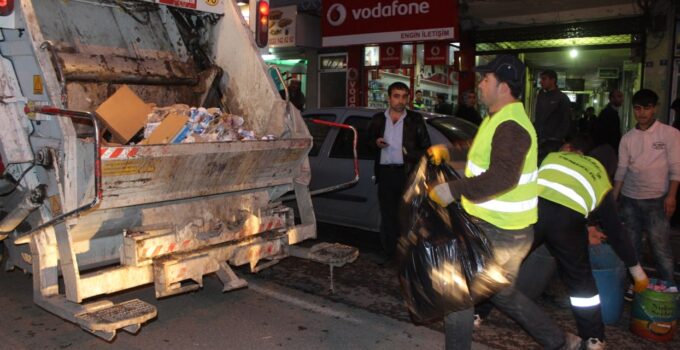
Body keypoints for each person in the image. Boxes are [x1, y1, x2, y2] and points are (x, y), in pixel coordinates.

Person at [427, 55, 579, 350]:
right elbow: (483, 153)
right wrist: (450, 153)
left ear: (504, 86)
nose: (480, 85)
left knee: (459, 295)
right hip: (501, 228)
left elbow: (502, 177)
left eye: (486, 79)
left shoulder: (512, 126)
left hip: (502, 232)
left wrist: (452, 191)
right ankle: (560, 341)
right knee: (501, 292)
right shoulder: (496, 118)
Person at [532, 134, 647, 350]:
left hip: (532, 213)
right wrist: (636, 270)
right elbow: (616, 232)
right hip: (566, 225)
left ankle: (478, 313)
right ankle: (594, 338)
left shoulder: (557, 156)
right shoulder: (601, 179)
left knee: (506, 264)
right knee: (582, 284)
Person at [614, 89, 680, 291]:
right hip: (630, 199)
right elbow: (622, 170)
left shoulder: (670, 134)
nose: (642, 113)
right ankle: (636, 288)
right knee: (632, 248)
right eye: (638, 108)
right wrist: (613, 199)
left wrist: (671, 196)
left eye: (647, 108)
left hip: (657, 200)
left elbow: (676, 167)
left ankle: (669, 290)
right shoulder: (628, 138)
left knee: (661, 248)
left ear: (655, 109)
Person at [368, 82, 431, 263]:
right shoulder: (378, 119)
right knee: (387, 216)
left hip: (407, 175)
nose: (400, 101)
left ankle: (408, 257)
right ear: (389, 97)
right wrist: (376, 143)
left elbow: (426, 149)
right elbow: (367, 142)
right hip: (386, 173)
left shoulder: (415, 120)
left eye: (404, 96)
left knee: (407, 217)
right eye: (396, 96)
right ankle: (389, 254)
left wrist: (409, 154)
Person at [534, 69, 571, 162]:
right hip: (539, 140)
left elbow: (566, 120)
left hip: (553, 142)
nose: (541, 82)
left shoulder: (561, 98)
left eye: (544, 79)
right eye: (541, 79)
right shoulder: (541, 95)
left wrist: (557, 137)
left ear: (552, 80)